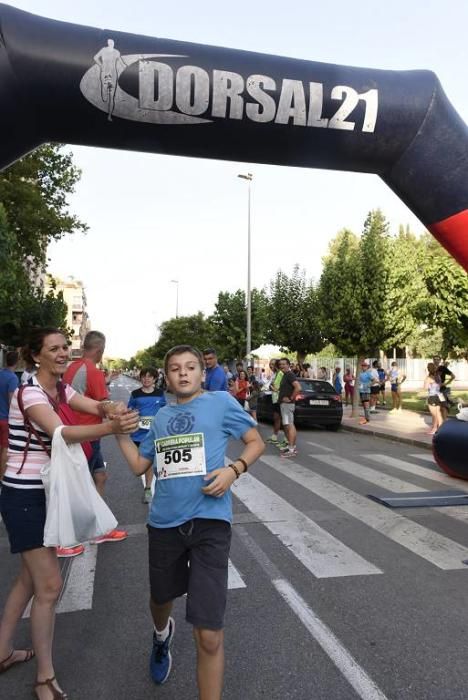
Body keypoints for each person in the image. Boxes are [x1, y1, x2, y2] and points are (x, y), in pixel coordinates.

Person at [115, 345, 264, 698]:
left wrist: (234, 470)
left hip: (211, 522)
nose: (183, 373)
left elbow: (255, 442)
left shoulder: (221, 402)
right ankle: (161, 633)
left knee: (209, 634)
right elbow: (140, 465)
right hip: (164, 523)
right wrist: (117, 431)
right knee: (160, 597)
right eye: (176, 368)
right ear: (167, 376)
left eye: (191, 367)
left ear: (201, 373)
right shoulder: (163, 416)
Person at [0, 327, 138, 700]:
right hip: (24, 495)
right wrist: (111, 427)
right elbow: (60, 432)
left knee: (28, 582)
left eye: (65, 348)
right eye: (55, 349)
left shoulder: (60, 388)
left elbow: (92, 404)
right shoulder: (28, 393)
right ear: (36, 356)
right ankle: (44, 678)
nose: (63, 354)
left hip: (45, 492)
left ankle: (2, 653)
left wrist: (110, 408)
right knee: (49, 587)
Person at [63, 330, 128, 546]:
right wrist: (124, 415)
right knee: (81, 486)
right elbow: (105, 406)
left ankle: (99, 528)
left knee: (100, 477)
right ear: (100, 350)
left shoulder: (72, 366)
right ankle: (70, 536)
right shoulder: (92, 371)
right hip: (87, 435)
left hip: (77, 432)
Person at [127, 367, 166, 504]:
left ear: (155, 379)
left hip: (153, 434)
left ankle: (148, 488)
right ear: (141, 378)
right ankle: (148, 486)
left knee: (148, 462)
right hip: (137, 434)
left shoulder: (160, 393)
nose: (146, 379)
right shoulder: (135, 394)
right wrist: (132, 414)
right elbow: (129, 409)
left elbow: (164, 410)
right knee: (139, 462)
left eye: (150, 377)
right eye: (144, 376)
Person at [0, 351, 19, 477]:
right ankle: (2, 478)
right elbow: (12, 400)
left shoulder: (1, 374)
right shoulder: (13, 378)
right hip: (6, 419)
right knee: (5, 449)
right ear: (17, 362)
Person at [278, 358, 301, 458]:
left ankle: (291, 449)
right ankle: (291, 446)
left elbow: (298, 387)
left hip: (287, 405)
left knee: (289, 425)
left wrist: (291, 398)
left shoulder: (290, 375)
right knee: (287, 426)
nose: (282, 366)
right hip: (284, 405)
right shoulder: (285, 375)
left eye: (284, 364)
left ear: (288, 365)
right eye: (280, 364)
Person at [264, 360, 286, 447]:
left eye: (273, 364)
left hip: (279, 399)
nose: (271, 366)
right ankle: (274, 437)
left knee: (283, 420)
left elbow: (278, 387)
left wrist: (271, 387)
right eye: (270, 364)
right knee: (276, 418)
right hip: (274, 399)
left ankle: (286, 439)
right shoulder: (274, 374)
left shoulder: (280, 373)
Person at [424, 362, 445, 434]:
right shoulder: (438, 376)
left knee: (434, 414)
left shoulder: (429, 378)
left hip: (432, 397)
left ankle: (434, 429)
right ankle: (441, 428)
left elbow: (425, 387)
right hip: (439, 396)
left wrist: (426, 380)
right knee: (438, 413)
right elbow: (440, 384)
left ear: (428, 369)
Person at [358, 360, 373, 425]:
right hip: (361, 391)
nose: (363, 367)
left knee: (366, 405)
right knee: (364, 405)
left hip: (366, 391)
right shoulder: (361, 373)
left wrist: (368, 385)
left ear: (367, 367)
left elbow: (374, 380)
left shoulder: (368, 373)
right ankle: (366, 417)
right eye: (362, 366)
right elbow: (360, 381)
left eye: (365, 366)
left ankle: (367, 419)